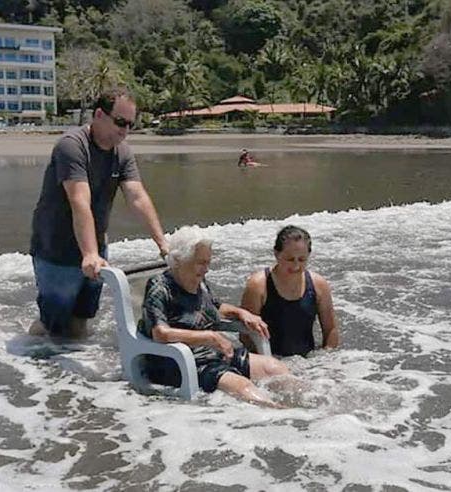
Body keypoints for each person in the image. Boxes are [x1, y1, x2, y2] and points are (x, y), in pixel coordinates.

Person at [29, 87, 168, 338]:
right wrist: (89, 254)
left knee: (81, 321)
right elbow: (79, 200)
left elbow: (137, 197)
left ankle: (66, 377)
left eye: (130, 125)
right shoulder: (71, 147)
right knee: (53, 325)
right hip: (56, 250)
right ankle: (27, 360)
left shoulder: (123, 152)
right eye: (120, 122)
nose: (125, 131)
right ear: (99, 115)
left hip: (96, 248)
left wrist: (164, 244)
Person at [140, 226, 289, 407]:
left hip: (214, 354)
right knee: (244, 387)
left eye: (208, 262)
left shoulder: (198, 282)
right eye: (200, 262)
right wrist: (209, 337)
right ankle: (286, 416)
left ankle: (317, 413)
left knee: (275, 369)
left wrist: (242, 313)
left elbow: (216, 308)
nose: (206, 269)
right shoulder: (159, 287)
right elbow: (160, 333)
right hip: (180, 362)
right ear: (178, 260)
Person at [240, 225, 339, 357]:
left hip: (308, 362)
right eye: (290, 259)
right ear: (276, 254)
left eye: (302, 259)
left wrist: (325, 359)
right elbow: (245, 335)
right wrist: (267, 361)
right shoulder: (258, 285)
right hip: (269, 360)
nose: (296, 266)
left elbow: (331, 329)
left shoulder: (319, 285)